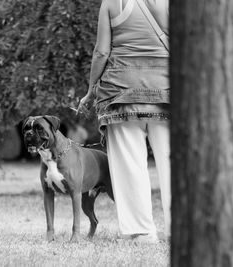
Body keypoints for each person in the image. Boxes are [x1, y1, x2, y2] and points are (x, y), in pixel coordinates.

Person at [78, 0, 170, 243]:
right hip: (168, 90)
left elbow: (101, 52)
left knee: (130, 164)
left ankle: (141, 233)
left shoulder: (111, 3)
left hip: (121, 92)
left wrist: (90, 91)